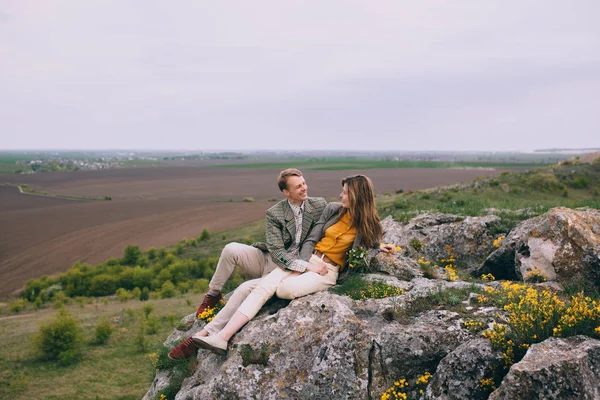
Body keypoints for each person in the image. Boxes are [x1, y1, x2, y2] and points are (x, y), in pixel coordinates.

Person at [184, 174, 395, 357]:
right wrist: (302, 265)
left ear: (357, 196)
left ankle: (215, 333)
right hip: (308, 260)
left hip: (327, 271)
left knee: (282, 288)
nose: (341, 196)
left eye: (345, 192)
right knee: (259, 287)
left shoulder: (370, 225)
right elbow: (311, 239)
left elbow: (369, 244)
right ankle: (221, 337)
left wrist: (378, 247)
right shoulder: (333, 210)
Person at [168, 168, 326, 360]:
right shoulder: (275, 213)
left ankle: (201, 336)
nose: (304, 188)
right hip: (272, 259)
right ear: (286, 192)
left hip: (289, 269)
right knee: (230, 248)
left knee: (243, 289)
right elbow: (276, 251)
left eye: (304, 183)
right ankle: (213, 294)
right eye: (298, 186)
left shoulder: (318, 205)